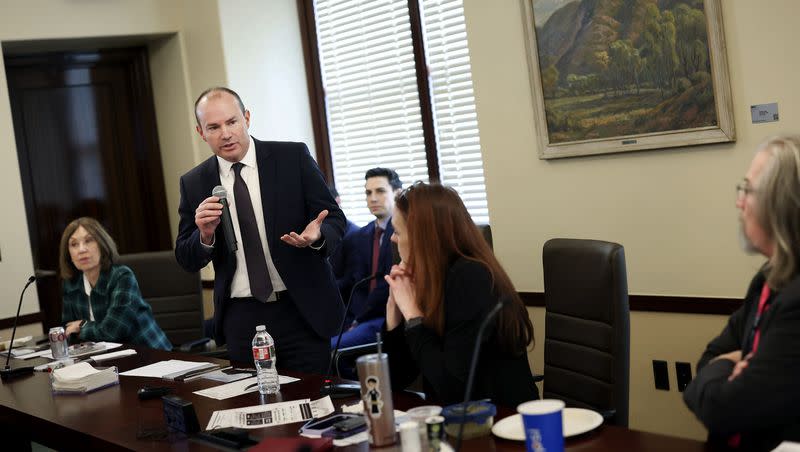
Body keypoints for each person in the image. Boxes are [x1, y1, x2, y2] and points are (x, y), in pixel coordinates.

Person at [175, 87, 346, 372]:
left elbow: (335, 220)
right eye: (214, 127)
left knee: (314, 407)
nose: (226, 134)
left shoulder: (292, 157)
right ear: (201, 132)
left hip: (301, 309)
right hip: (241, 316)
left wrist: (317, 236)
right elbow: (185, 255)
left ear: (247, 118)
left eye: (232, 122)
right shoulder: (194, 182)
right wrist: (204, 235)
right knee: (254, 407)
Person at [683, 135, 800, 450]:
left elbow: (722, 409)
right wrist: (735, 361)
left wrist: (729, 361)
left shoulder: (796, 303)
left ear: (779, 204)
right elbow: (705, 361)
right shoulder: (766, 281)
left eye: (747, 190)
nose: (739, 201)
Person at [382, 182, 539, 407]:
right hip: (460, 422)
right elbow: (395, 380)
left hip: (501, 422)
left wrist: (413, 314)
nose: (392, 239)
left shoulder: (470, 278)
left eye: (397, 231)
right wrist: (394, 314)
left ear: (421, 237)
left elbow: (453, 387)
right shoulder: (430, 278)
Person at [58, 217, 171, 350]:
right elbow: (69, 331)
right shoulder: (71, 284)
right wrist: (79, 330)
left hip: (149, 355)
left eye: (88, 240)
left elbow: (112, 333)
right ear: (68, 253)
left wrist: (82, 326)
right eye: (74, 244)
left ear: (102, 243)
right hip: (103, 358)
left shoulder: (121, 277)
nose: (81, 249)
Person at [332, 168, 403, 350]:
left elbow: (388, 285)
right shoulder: (361, 235)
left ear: (397, 193)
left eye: (380, 191)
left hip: (387, 316)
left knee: (331, 349)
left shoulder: (404, 235)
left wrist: (358, 320)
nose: (373, 198)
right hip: (357, 316)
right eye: (368, 192)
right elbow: (355, 283)